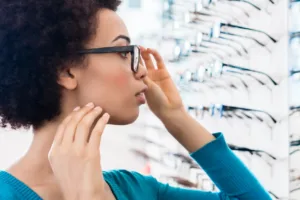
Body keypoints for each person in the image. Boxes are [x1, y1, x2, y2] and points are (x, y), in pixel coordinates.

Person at [0, 0, 272, 199]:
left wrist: (176, 117)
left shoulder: (134, 189)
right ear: (66, 70)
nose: (142, 70)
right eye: (123, 52)